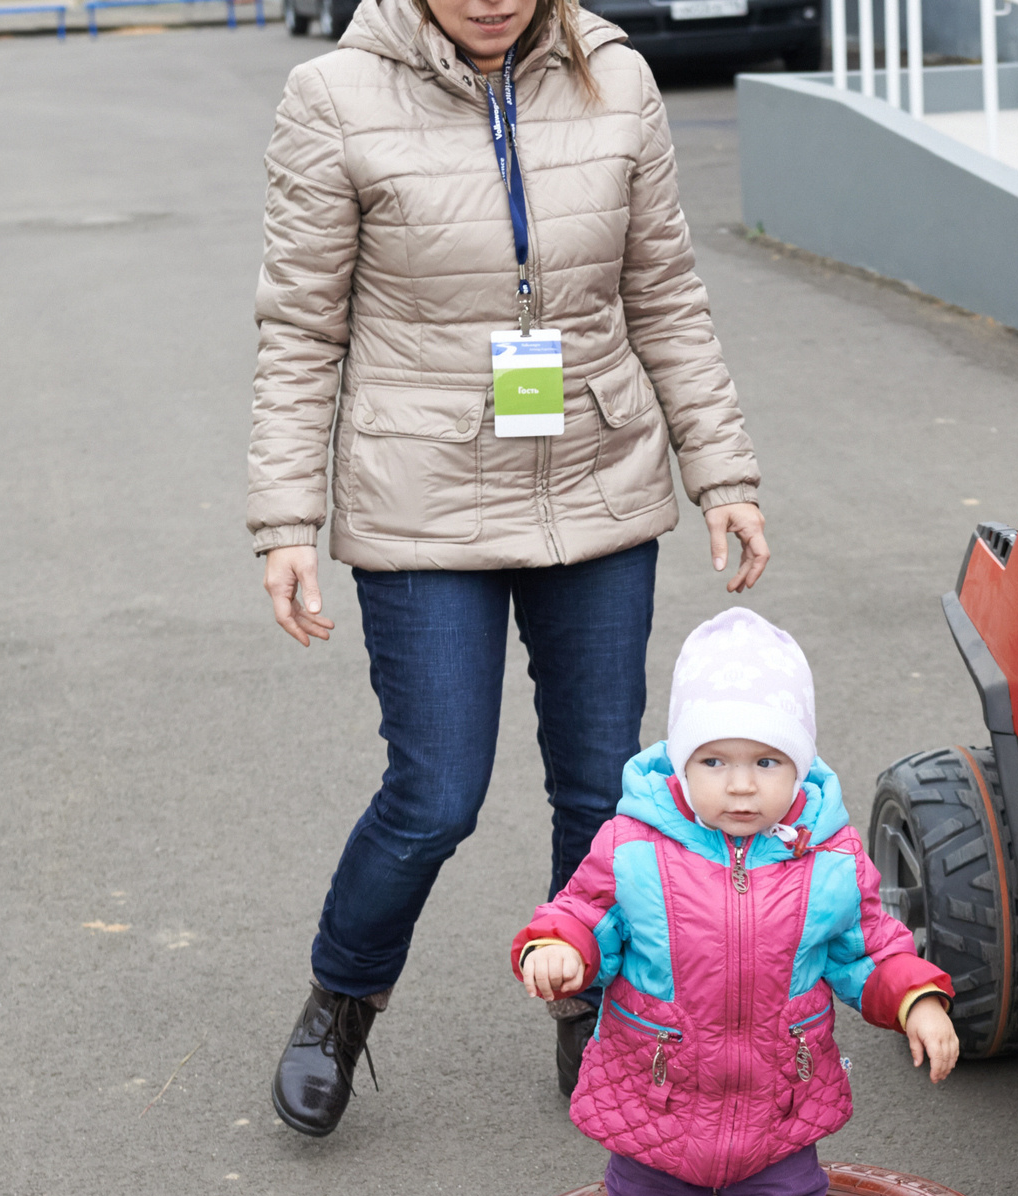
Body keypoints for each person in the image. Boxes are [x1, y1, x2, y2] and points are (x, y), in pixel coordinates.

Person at [249, 0, 772, 1138]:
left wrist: (722, 470)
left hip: (596, 479)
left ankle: (589, 1005)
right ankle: (344, 995)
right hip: (422, 494)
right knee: (435, 793)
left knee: (600, 785)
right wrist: (287, 519)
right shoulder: (334, 97)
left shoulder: (615, 77)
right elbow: (301, 329)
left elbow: (666, 294)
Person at [512, 609, 960, 1196]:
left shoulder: (829, 859)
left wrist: (917, 999)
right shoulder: (635, 846)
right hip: (657, 1100)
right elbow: (584, 911)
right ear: (681, 762)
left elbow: (870, 946)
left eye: (766, 762)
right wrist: (559, 948)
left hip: (777, 1104)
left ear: (800, 764)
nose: (742, 785)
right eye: (715, 762)